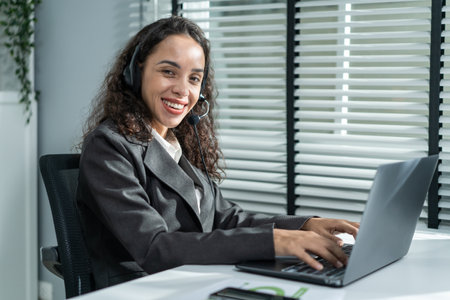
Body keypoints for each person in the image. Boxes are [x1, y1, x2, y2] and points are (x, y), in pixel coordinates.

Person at [76, 16, 359, 289]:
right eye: (168, 72)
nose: (182, 90)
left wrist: (304, 226)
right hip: (143, 289)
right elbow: (155, 247)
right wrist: (276, 242)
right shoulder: (109, 147)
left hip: (194, 280)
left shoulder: (175, 142)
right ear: (136, 72)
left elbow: (226, 218)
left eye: (194, 78)